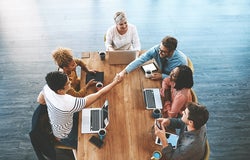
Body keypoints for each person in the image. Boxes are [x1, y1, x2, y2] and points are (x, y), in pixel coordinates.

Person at [37, 71, 122, 148]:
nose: (70, 82)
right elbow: (98, 95)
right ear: (60, 90)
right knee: (88, 147)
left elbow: (40, 100)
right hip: (66, 135)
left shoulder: (47, 88)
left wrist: (53, 105)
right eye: (67, 83)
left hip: (61, 123)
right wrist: (115, 82)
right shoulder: (68, 102)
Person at [119, 36, 187, 80]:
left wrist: (162, 76)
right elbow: (141, 59)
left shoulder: (181, 61)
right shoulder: (157, 49)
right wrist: (124, 71)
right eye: (160, 49)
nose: (159, 53)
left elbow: (181, 80)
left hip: (170, 82)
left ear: (171, 51)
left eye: (163, 52)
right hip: (158, 75)